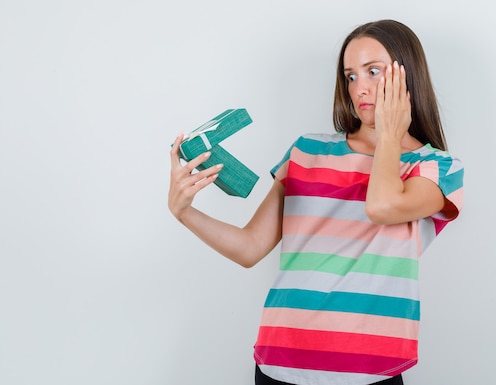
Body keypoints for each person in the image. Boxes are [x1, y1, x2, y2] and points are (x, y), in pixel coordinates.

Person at [168, 19, 464, 385]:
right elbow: (249, 248)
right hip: (280, 361)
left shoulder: (438, 168)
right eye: (351, 76)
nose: (360, 88)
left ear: (408, 78)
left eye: (374, 71)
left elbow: (382, 206)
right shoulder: (306, 150)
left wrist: (390, 134)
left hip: (369, 371)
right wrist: (183, 212)